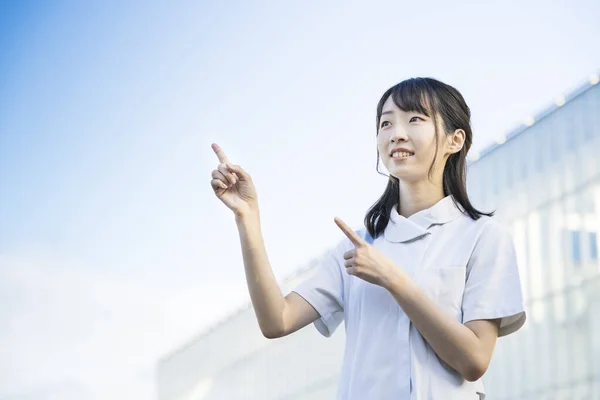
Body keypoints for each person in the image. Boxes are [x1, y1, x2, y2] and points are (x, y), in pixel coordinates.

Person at [209, 77, 526, 400]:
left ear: (454, 140)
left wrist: (393, 279)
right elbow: (277, 320)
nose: (396, 133)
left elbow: (473, 360)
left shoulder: (483, 237)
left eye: (415, 119)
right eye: (386, 123)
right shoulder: (357, 245)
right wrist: (247, 217)